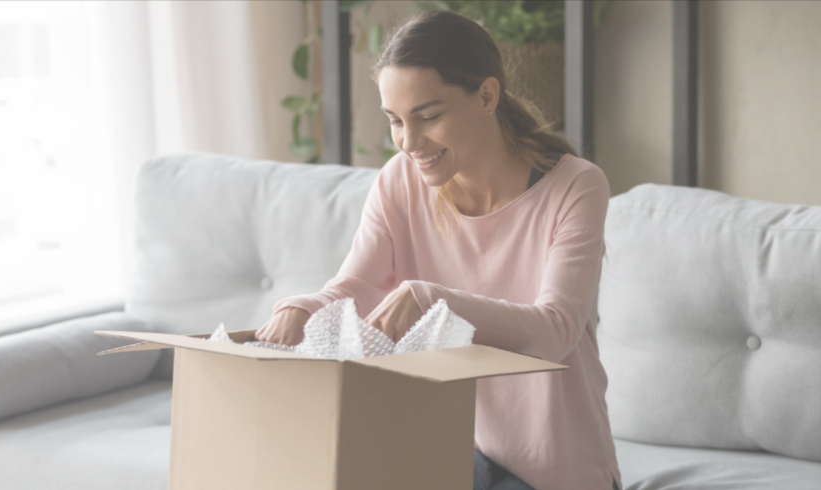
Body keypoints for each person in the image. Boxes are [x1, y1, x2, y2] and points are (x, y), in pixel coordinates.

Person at [255, 9, 620, 490]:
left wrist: (433, 300)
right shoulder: (399, 181)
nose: (409, 142)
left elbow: (556, 330)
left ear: (487, 95)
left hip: (555, 471)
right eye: (395, 121)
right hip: (451, 454)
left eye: (428, 117)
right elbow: (356, 287)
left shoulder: (575, 186)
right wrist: (302, 309)